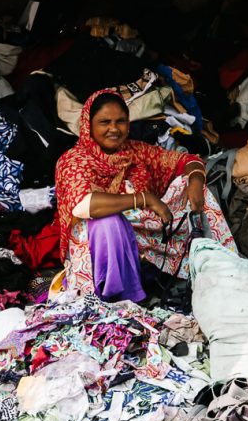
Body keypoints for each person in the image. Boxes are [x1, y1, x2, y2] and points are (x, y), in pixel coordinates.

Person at [56, 88, 236, 302]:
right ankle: (116, 296)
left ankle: (222, 271)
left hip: (144, 235)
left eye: (120, 121)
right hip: (97, 243)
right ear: (89, 125)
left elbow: (185, 160)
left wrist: (196, 179)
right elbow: (84, 205)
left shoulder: (137, 151)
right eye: (105, 122)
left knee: (188, 184)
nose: (114, 129)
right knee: (108, 222)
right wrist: (144, 198)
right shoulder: (73, 160)